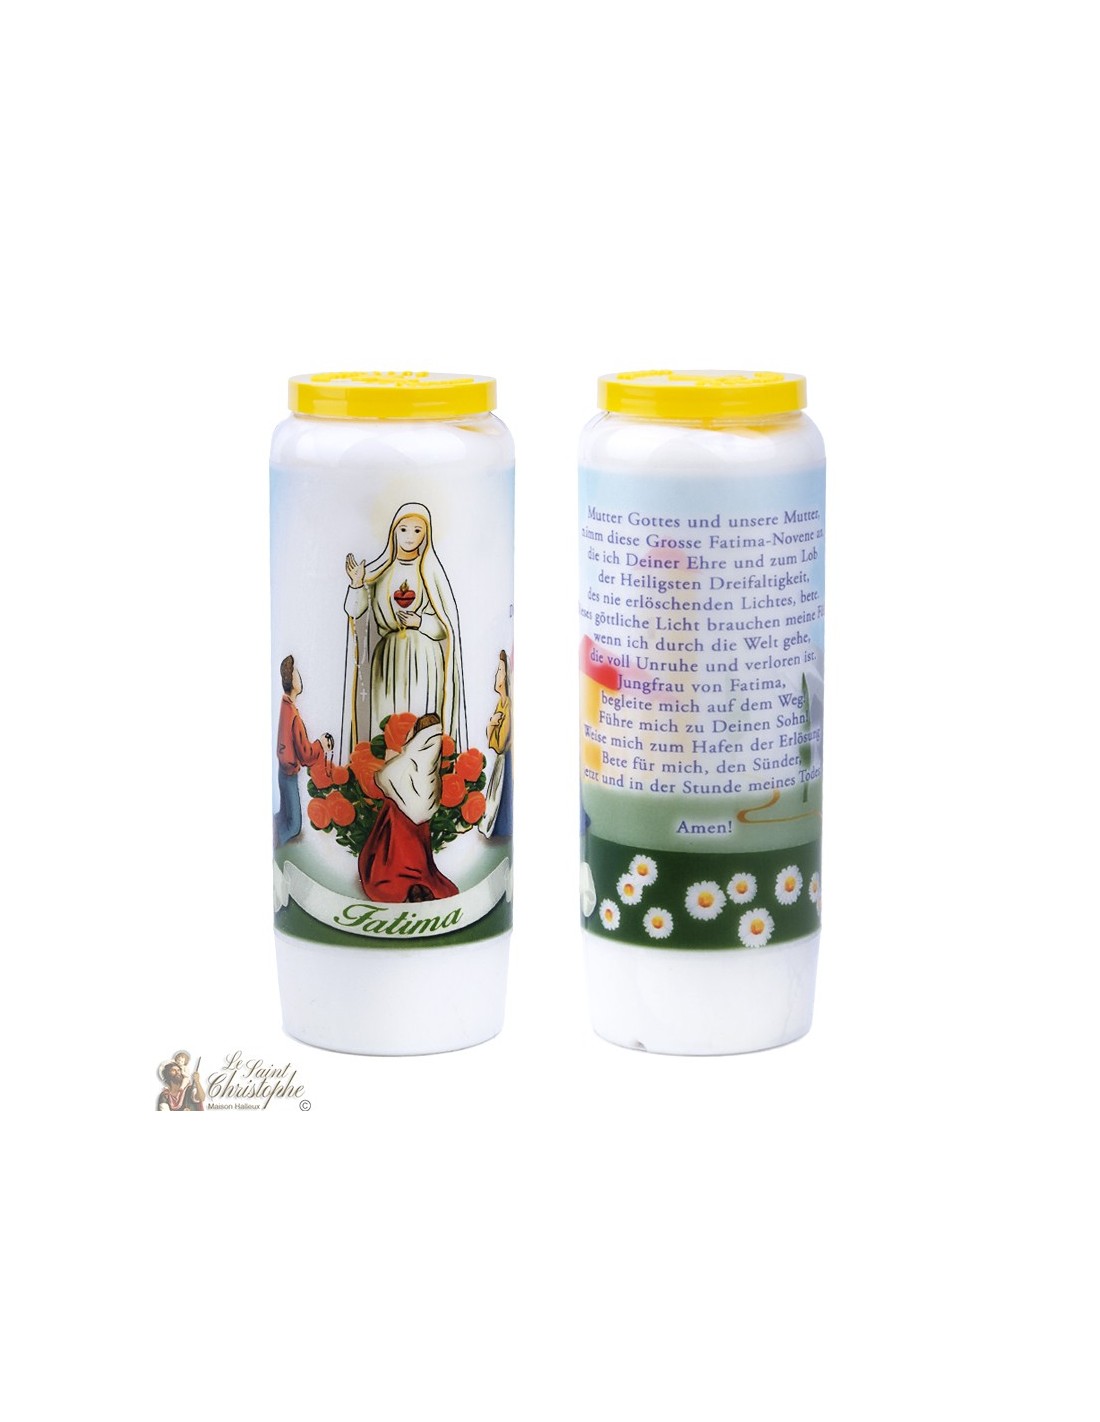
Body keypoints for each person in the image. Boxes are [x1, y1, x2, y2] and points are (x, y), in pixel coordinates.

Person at [343, 503, 466, 754]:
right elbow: (356, 612)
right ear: (394, 532)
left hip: (425, 660)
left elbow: (446, 626)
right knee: (389, 724)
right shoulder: (379, 572)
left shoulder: (430, 571)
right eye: (404, 529)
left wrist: (420, 622)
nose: (410, 536)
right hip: (388, 661)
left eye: (417, 530)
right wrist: (356, 583)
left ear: (426, 535)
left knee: (421, 724)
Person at [357, 713, 458, 903]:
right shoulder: (431, 760)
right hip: (419, 823)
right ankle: (418, 884)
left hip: (399, 821)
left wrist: (389, 762)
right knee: (417, 856)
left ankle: (403, 885)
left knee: (395, 855)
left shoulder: (409, 757)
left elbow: (385, 777)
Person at [274, 655, 333, 846]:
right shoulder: (293, 714)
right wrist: (321, 744)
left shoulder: (285, 706)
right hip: (289, 772)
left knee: (284, 815)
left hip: (283, 769)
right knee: (293, 825)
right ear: (292, 680)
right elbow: (306, 754)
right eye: (297, 673)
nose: (300, 677)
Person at [480, 650, 513, 838]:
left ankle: (500, 828)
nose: (496, 675)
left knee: (500, 797)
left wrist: (493, 725)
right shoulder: (500, 704)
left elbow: (499, 744)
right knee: (495, 796)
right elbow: (491, 741)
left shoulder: (507, 706)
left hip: (505, 760)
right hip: (500, 759)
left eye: (500, 671)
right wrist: (492, 725)